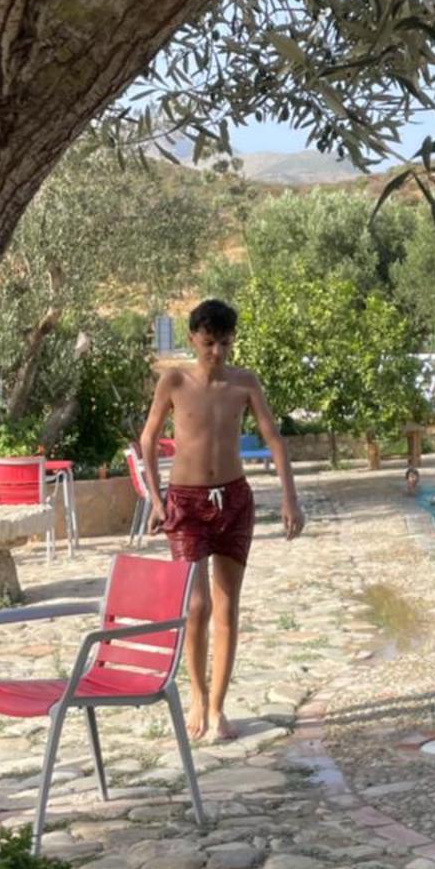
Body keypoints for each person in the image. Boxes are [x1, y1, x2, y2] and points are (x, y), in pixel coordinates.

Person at [140, 298, 304, 742]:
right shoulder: (173, 381)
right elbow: (149, 439)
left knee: (227, 605)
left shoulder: (244, 383)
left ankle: (217, 708)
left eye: (225, 343)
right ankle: (196, 693)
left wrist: (290, 499)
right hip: (186, 505)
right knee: (196, 607)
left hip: (233, 501)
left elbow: (274, 438)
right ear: (193, 337)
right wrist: (157, 500)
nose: (217, 352)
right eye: (209, 342)